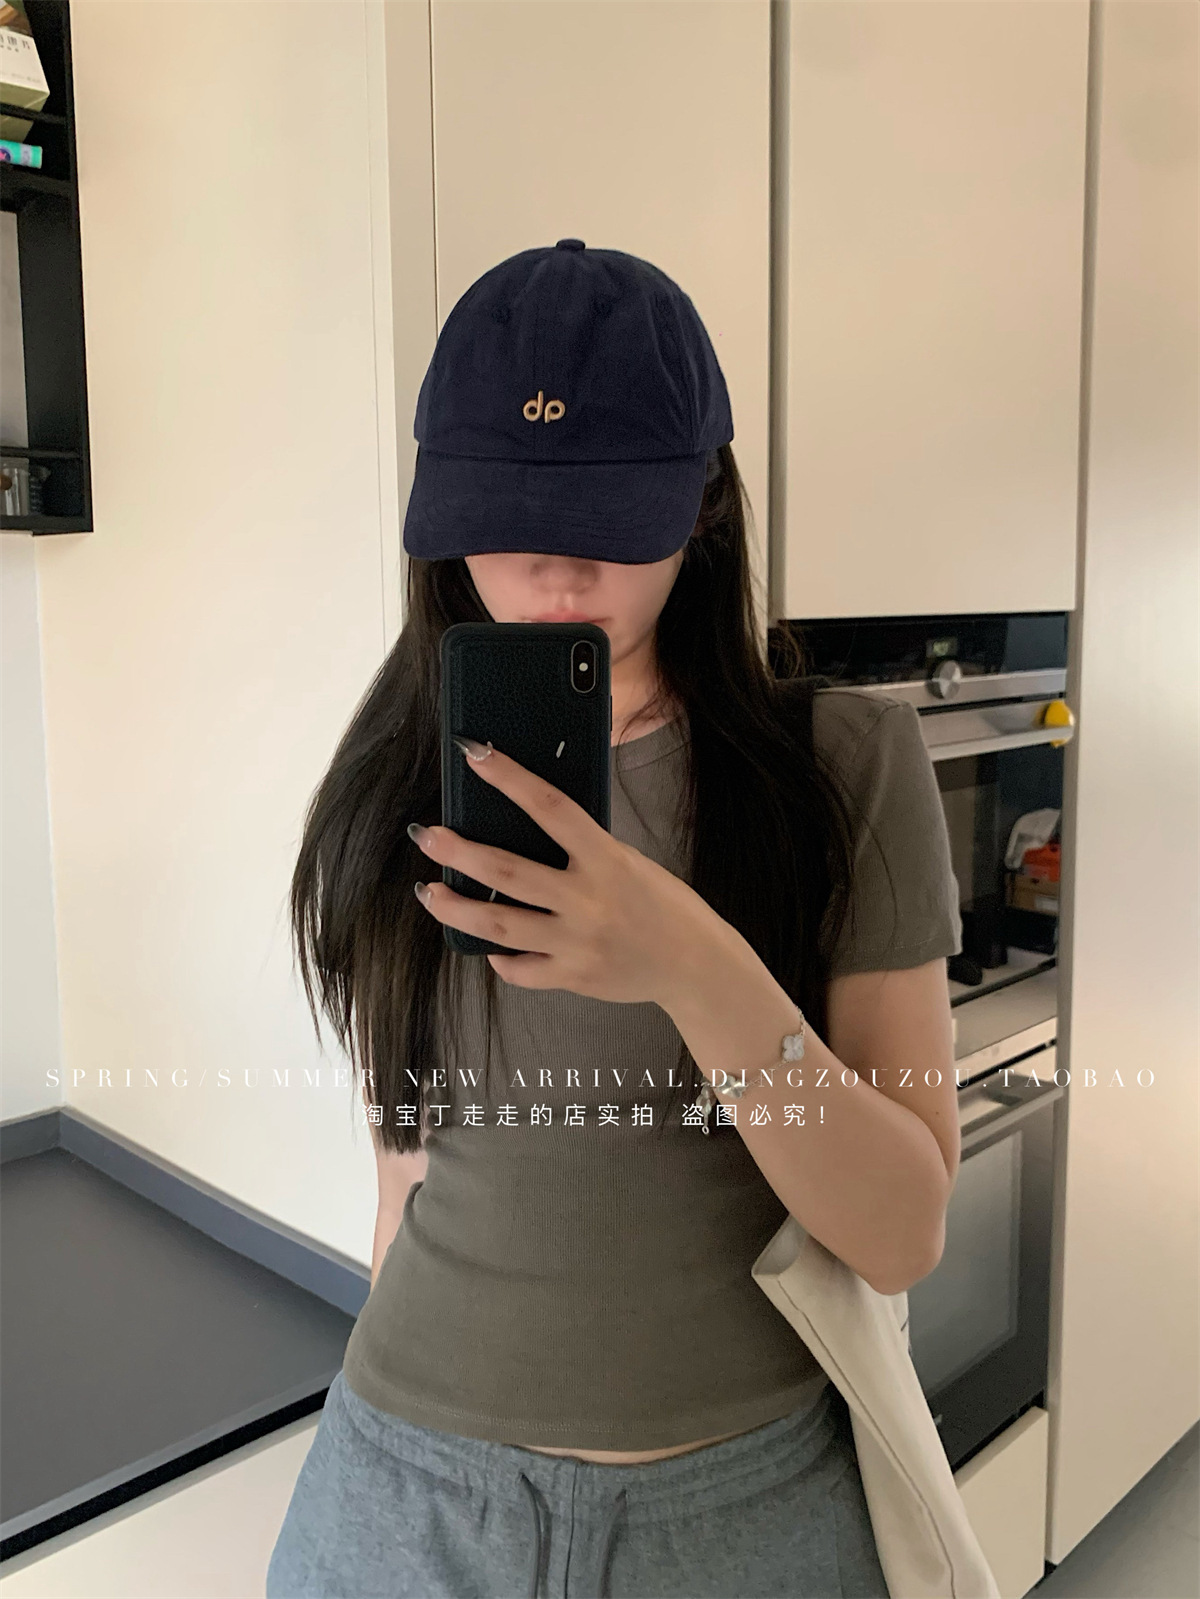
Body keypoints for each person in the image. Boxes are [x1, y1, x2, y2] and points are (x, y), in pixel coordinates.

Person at [266, 240, 963, 1599]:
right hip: (401, 1497)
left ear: (703, 505)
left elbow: (901, 1236)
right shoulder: (394, 781)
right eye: (507, 512)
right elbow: (407, 1179)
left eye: (605, 516)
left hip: (738, 1518)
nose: (555, 568)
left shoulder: (842, 766)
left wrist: (696, 968)